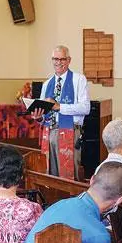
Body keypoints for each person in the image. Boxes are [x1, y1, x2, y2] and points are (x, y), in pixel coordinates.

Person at [31, 45, 90, 180]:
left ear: (69, 60)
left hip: (70, 132)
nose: (58, 62)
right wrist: (39, 117)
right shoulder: (47, 84)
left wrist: (60, 107)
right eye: (55, 59)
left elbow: (85, 108)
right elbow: (43, 114)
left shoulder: (79, 79)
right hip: (49, 132)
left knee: (69, 176)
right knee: (50, 173)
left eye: (62, 59)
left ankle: (69, 200)